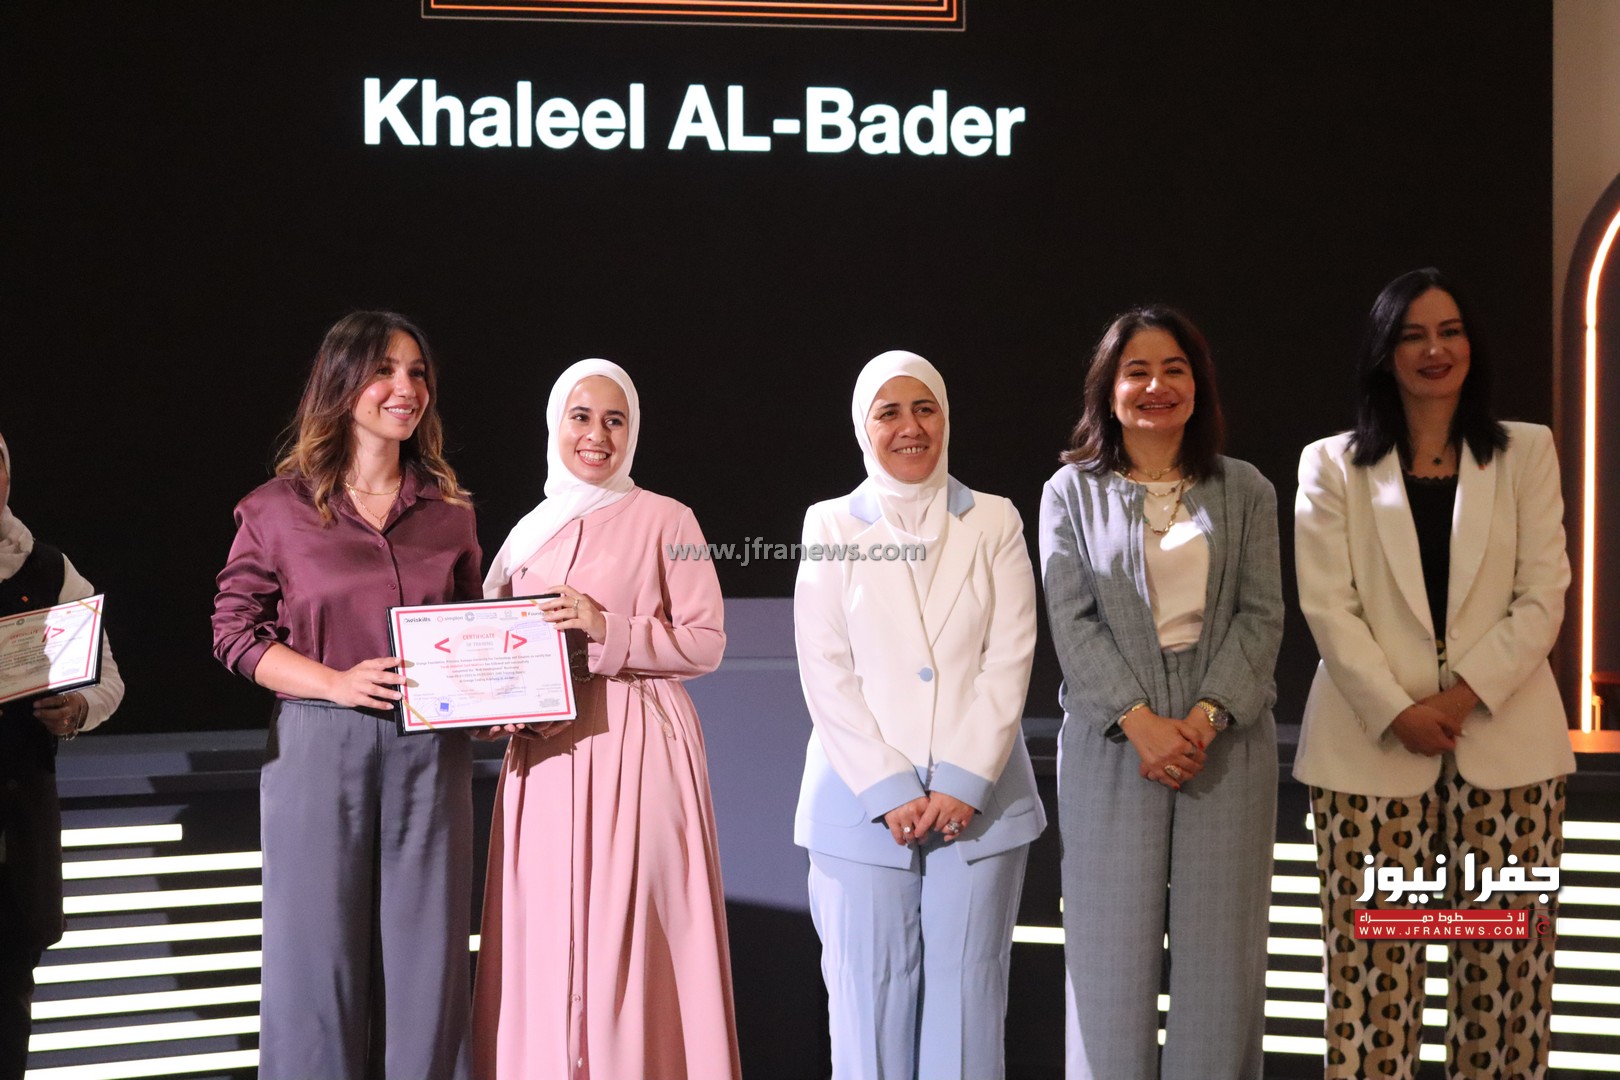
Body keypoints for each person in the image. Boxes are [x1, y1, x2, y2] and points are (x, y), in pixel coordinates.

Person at [1294, 268, 1573, 1080]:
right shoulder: (1331, 464)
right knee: (1372, 983)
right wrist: (1399, 710)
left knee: (1507, 979)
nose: (1434, 349)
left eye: (1449, 331)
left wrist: (1458, 698)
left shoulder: (1526, 451)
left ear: (1471, 345)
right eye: (1412, 335)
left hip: (1509, 751)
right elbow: (1328, 606)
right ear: (1385, 353)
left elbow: (1544, 594)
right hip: (1369, 749)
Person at [211, 312, 480, 1080]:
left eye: (417, 372)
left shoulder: (451, 513)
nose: (406, 388)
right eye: (385, 370)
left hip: (431, 752)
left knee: (430, 967)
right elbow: (233, 633)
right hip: (317, 745)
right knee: (314, 963)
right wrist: (335, 682)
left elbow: (472, 633)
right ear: (341, 382)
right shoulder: (276, 509)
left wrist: (496, 703)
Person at [473, 359, 741, 1080]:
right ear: (555, 425)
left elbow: (707, 642)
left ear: (633, 431)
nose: (598, 435)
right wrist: (495, 711)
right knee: (545, 934)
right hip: (544, 760)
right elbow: (493, 649)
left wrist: (607, 628)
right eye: (582, 417)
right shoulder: (525, 534)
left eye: (615, 420)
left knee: (633, 934)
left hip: (641, 745)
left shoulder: (670, 518)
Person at [1038, 307, 1282, 1080]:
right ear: (1108, 391)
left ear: (1197, 385)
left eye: (1174, 369)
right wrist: (1139, 721)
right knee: (1107, 964)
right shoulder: (1069, 493)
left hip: (1224, 743)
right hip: (1114, 743)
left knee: (1222, 967)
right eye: (1136, 371)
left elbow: (1262, 614)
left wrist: (1205, 719)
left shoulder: (1245, 488)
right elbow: (1071, 618)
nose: (1156, 386)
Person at [793, 350, 1043, 1080]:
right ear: (862, 427)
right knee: (866, 1015)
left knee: (968, 1011)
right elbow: (825, 668)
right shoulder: (830, 523)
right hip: (859, 806)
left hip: (982, 804)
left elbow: (1012, 655)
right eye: (889, 413)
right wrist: (887, 786)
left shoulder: (995, 518)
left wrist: (963, 779)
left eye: (924, 409)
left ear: (946, 418)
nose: (910, 427)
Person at [0, 432, 124, 1080]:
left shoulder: (48, 570)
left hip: (18, 824)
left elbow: (108, 679)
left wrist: (77, 708)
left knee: (8, 1001)